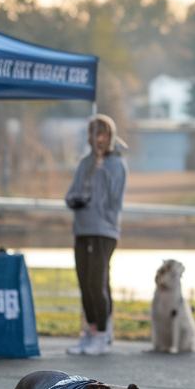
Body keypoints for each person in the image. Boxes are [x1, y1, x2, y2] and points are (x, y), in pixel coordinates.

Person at [63, 114, 128, 356]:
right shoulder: (84, 163)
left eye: (103, 134)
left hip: (104, 230)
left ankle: (103, 333)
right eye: (94, 134)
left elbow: (115, 201)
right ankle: (90, 331)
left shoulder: (116, 164)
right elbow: (72, 192)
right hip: (83, 228)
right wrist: (75, 201)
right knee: (83, 280)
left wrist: (98, 209)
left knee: (97, 280)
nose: (98, 139)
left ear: (110, 136)